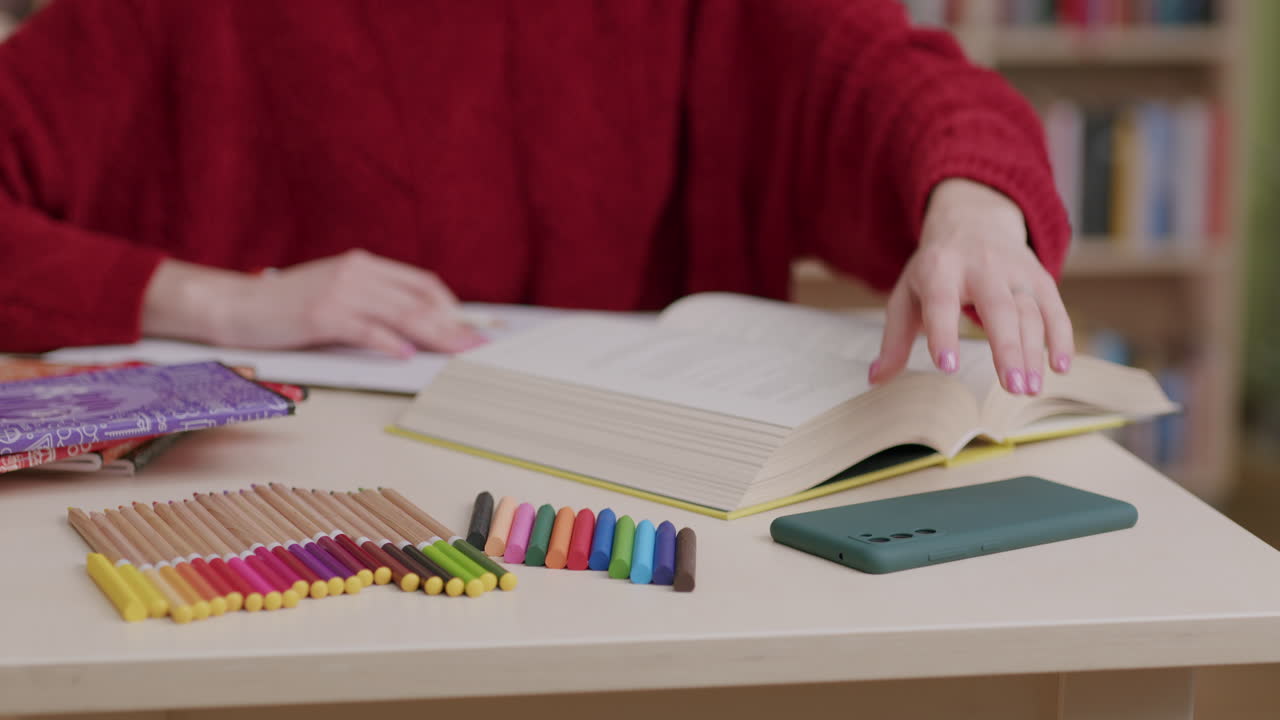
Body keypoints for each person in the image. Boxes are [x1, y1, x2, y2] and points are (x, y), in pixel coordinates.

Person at [0, 0, 1072, 396]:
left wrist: (972, 208)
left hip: (647, 547)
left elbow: (896, 85)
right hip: (272, 555)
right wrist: (224, 303)